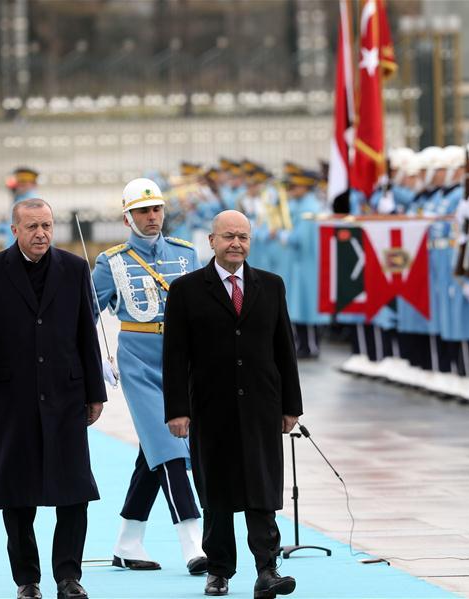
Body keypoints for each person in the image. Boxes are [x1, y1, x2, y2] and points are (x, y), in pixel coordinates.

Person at [0, 198, 105, 599]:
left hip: (66, 394)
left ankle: (68, 577)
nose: (41, 234)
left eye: (47, 226)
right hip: (11, 398)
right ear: (15, 230)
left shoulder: (74, 269)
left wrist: (95, 392)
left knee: (75, 492)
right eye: (32, 227)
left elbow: (85, 333)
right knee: (16, 493)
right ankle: (27, 580)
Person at [162, 210, 302, 598]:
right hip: (211, 406)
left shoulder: (270, 286)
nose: (235, 243)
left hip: (262, 405)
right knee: (217, 492)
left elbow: (284, 349)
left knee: (262, 489)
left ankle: (267, 570)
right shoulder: (187, 290)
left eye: (242, 237)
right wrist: (177, 410)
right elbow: (175, 356)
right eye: (228, 237)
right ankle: (219, 569)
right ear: (211, 241)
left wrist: (291, 405)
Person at [91, 178, 208, 575]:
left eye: (156, 209)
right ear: (128, 217)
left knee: (153, 454)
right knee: (172, 449)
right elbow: (83, 314)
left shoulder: (186, 254)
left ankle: (128, 541)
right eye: (143, 211)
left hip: (182, 362)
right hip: (139, 364)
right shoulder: (113, 261)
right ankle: (194, 543)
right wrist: (96, 358)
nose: (152, 217)